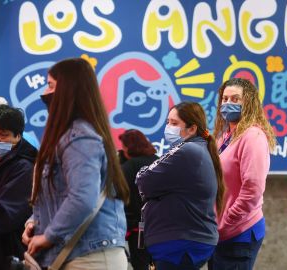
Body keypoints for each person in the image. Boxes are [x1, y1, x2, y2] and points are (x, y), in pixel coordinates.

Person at [21, 58, 130, 269]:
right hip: (80, 254)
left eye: (51, 85)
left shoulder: (79, 137)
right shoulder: (72, 136)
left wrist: (48, 236)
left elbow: (82, 197)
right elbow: (58, 196)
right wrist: (34, 222)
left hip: (89, 255)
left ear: (68, 91)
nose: (44, 92)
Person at [136, 101, 225, 270]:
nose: (169, 127)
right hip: (183, 242)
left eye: (175, 123)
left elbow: (143, 180)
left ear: (192, 129)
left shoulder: (186, 151)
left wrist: (143, 173)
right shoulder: (195, 150)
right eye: (168, 122)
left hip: (180, 244)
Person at [209, 78, 276, 270]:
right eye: (225, 99)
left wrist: (227, 222)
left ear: (248, 103)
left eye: (235, 99)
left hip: (238, 233)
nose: (228, 103)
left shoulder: (252, 136)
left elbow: (252, 190)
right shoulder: (226, 136)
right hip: (220, 233)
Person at [0, 104, 37, 270]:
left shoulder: (25, 168)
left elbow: (5, 214)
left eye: (3, 135)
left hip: (6, 252)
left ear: (18, 136)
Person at [118, 129, 158, 270]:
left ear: (129, 147)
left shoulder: (126, 168)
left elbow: (118, 194)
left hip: (138, 227)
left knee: (140, 264)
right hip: (161, 224)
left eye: (123, 147)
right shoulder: (158, 161)